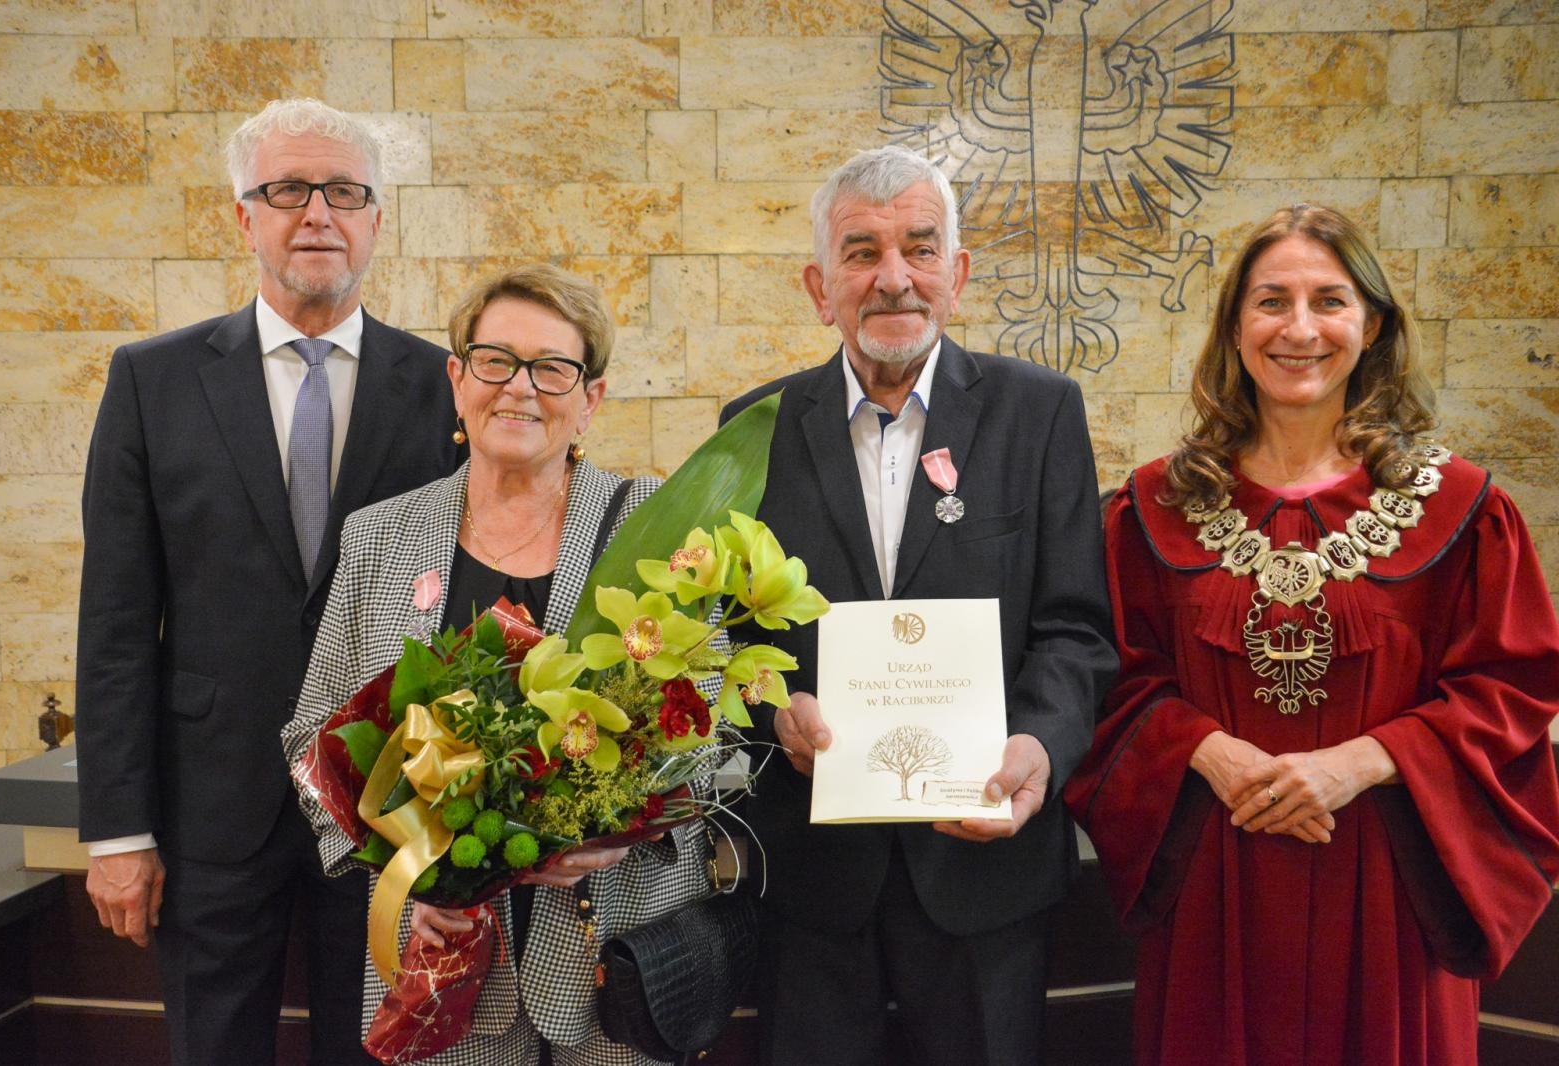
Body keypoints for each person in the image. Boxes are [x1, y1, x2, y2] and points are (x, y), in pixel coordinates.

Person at [1063, 203, 1559, 1064]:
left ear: (1372, 325)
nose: (1300, 329)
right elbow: (1102, 679)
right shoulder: (1149, 511)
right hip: (1214, 874)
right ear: (1233, 328)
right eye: (1270, 301)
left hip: (1392, 881)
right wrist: (1208, 749)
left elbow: (1510, 692)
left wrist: (1357, 763)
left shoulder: (1465, 511)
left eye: (1329, 301)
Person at [75, 98, 461, 1065]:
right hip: (210, 811)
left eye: (344, 192)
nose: (317, 214)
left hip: (389, 810)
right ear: (243, 217)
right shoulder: (152, 382)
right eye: (287, 190)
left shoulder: (448, 387)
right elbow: (116, 622)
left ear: (378, 219)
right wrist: (116, 832)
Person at [720, 145, 1118, 1066]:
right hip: (814, 877)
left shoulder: (1042, 412)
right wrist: (772, 711)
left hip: (987, 868)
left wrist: (1040, 746)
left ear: (958, 274)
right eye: (862, 252)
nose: (892, 278)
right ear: (821, 287)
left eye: (920, 248)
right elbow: (727, 640)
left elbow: (1076, 629)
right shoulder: (753, 430)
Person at [282, 263, 712, 1066]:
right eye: (496, 360)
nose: (520, 387)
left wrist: (624, 822)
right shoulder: (379, 538)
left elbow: (708, 716)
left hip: (611, 961)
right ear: (457, 378)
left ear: (592, 398)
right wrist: (400, 874)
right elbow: (314, 735)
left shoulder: (657, 530)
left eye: (554, 368)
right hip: (440, 967)